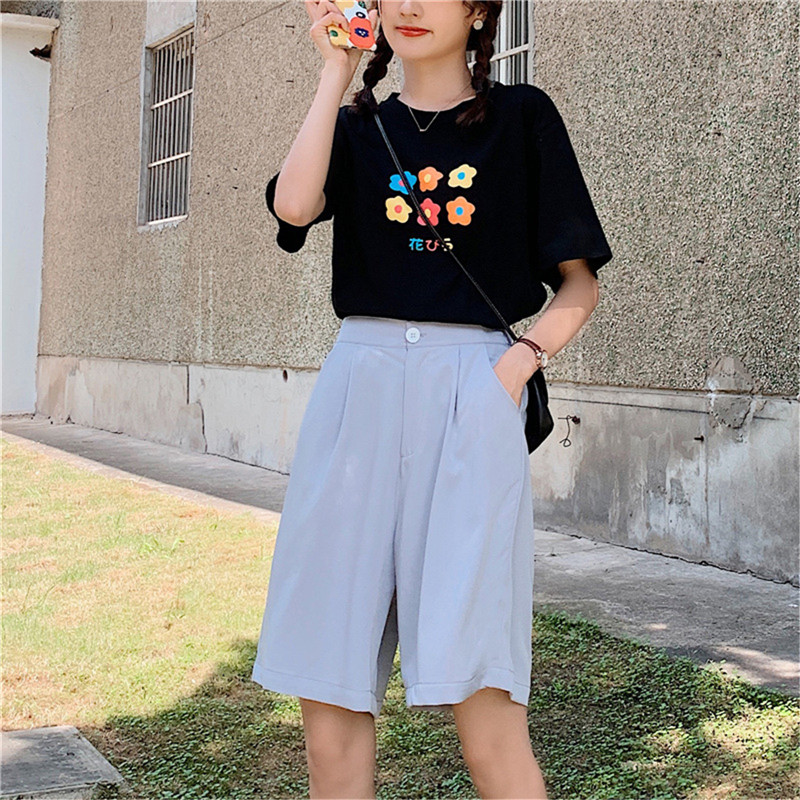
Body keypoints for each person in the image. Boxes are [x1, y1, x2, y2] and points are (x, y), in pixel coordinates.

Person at [252, 0, 613, 797]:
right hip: (359, 394)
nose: (410, 6)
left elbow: (578, 285)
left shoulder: (522, 118)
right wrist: (336, 72)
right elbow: (294, 207)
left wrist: (512, 369)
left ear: (479, 9)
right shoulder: (358, 125)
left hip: (472, 392)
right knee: (329, 704)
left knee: (486, 709)